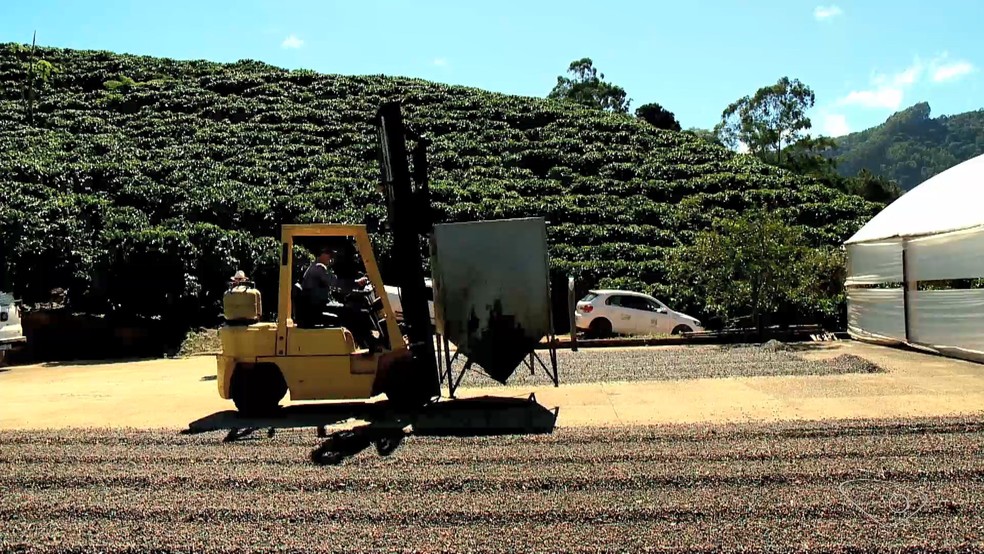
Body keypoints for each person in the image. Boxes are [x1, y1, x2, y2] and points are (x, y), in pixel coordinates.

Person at [300, 247, 378, 350]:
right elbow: (336, 283)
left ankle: (364, 342)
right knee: (354, 313)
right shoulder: (318, 268)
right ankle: (370, 343)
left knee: (350, 310)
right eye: (328, 253)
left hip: (318, 306)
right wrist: (356, 283)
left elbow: (334, 286)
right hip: (318, 308)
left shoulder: (315, 268)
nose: (330, 257)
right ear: (320, 254)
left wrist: (352, 289)